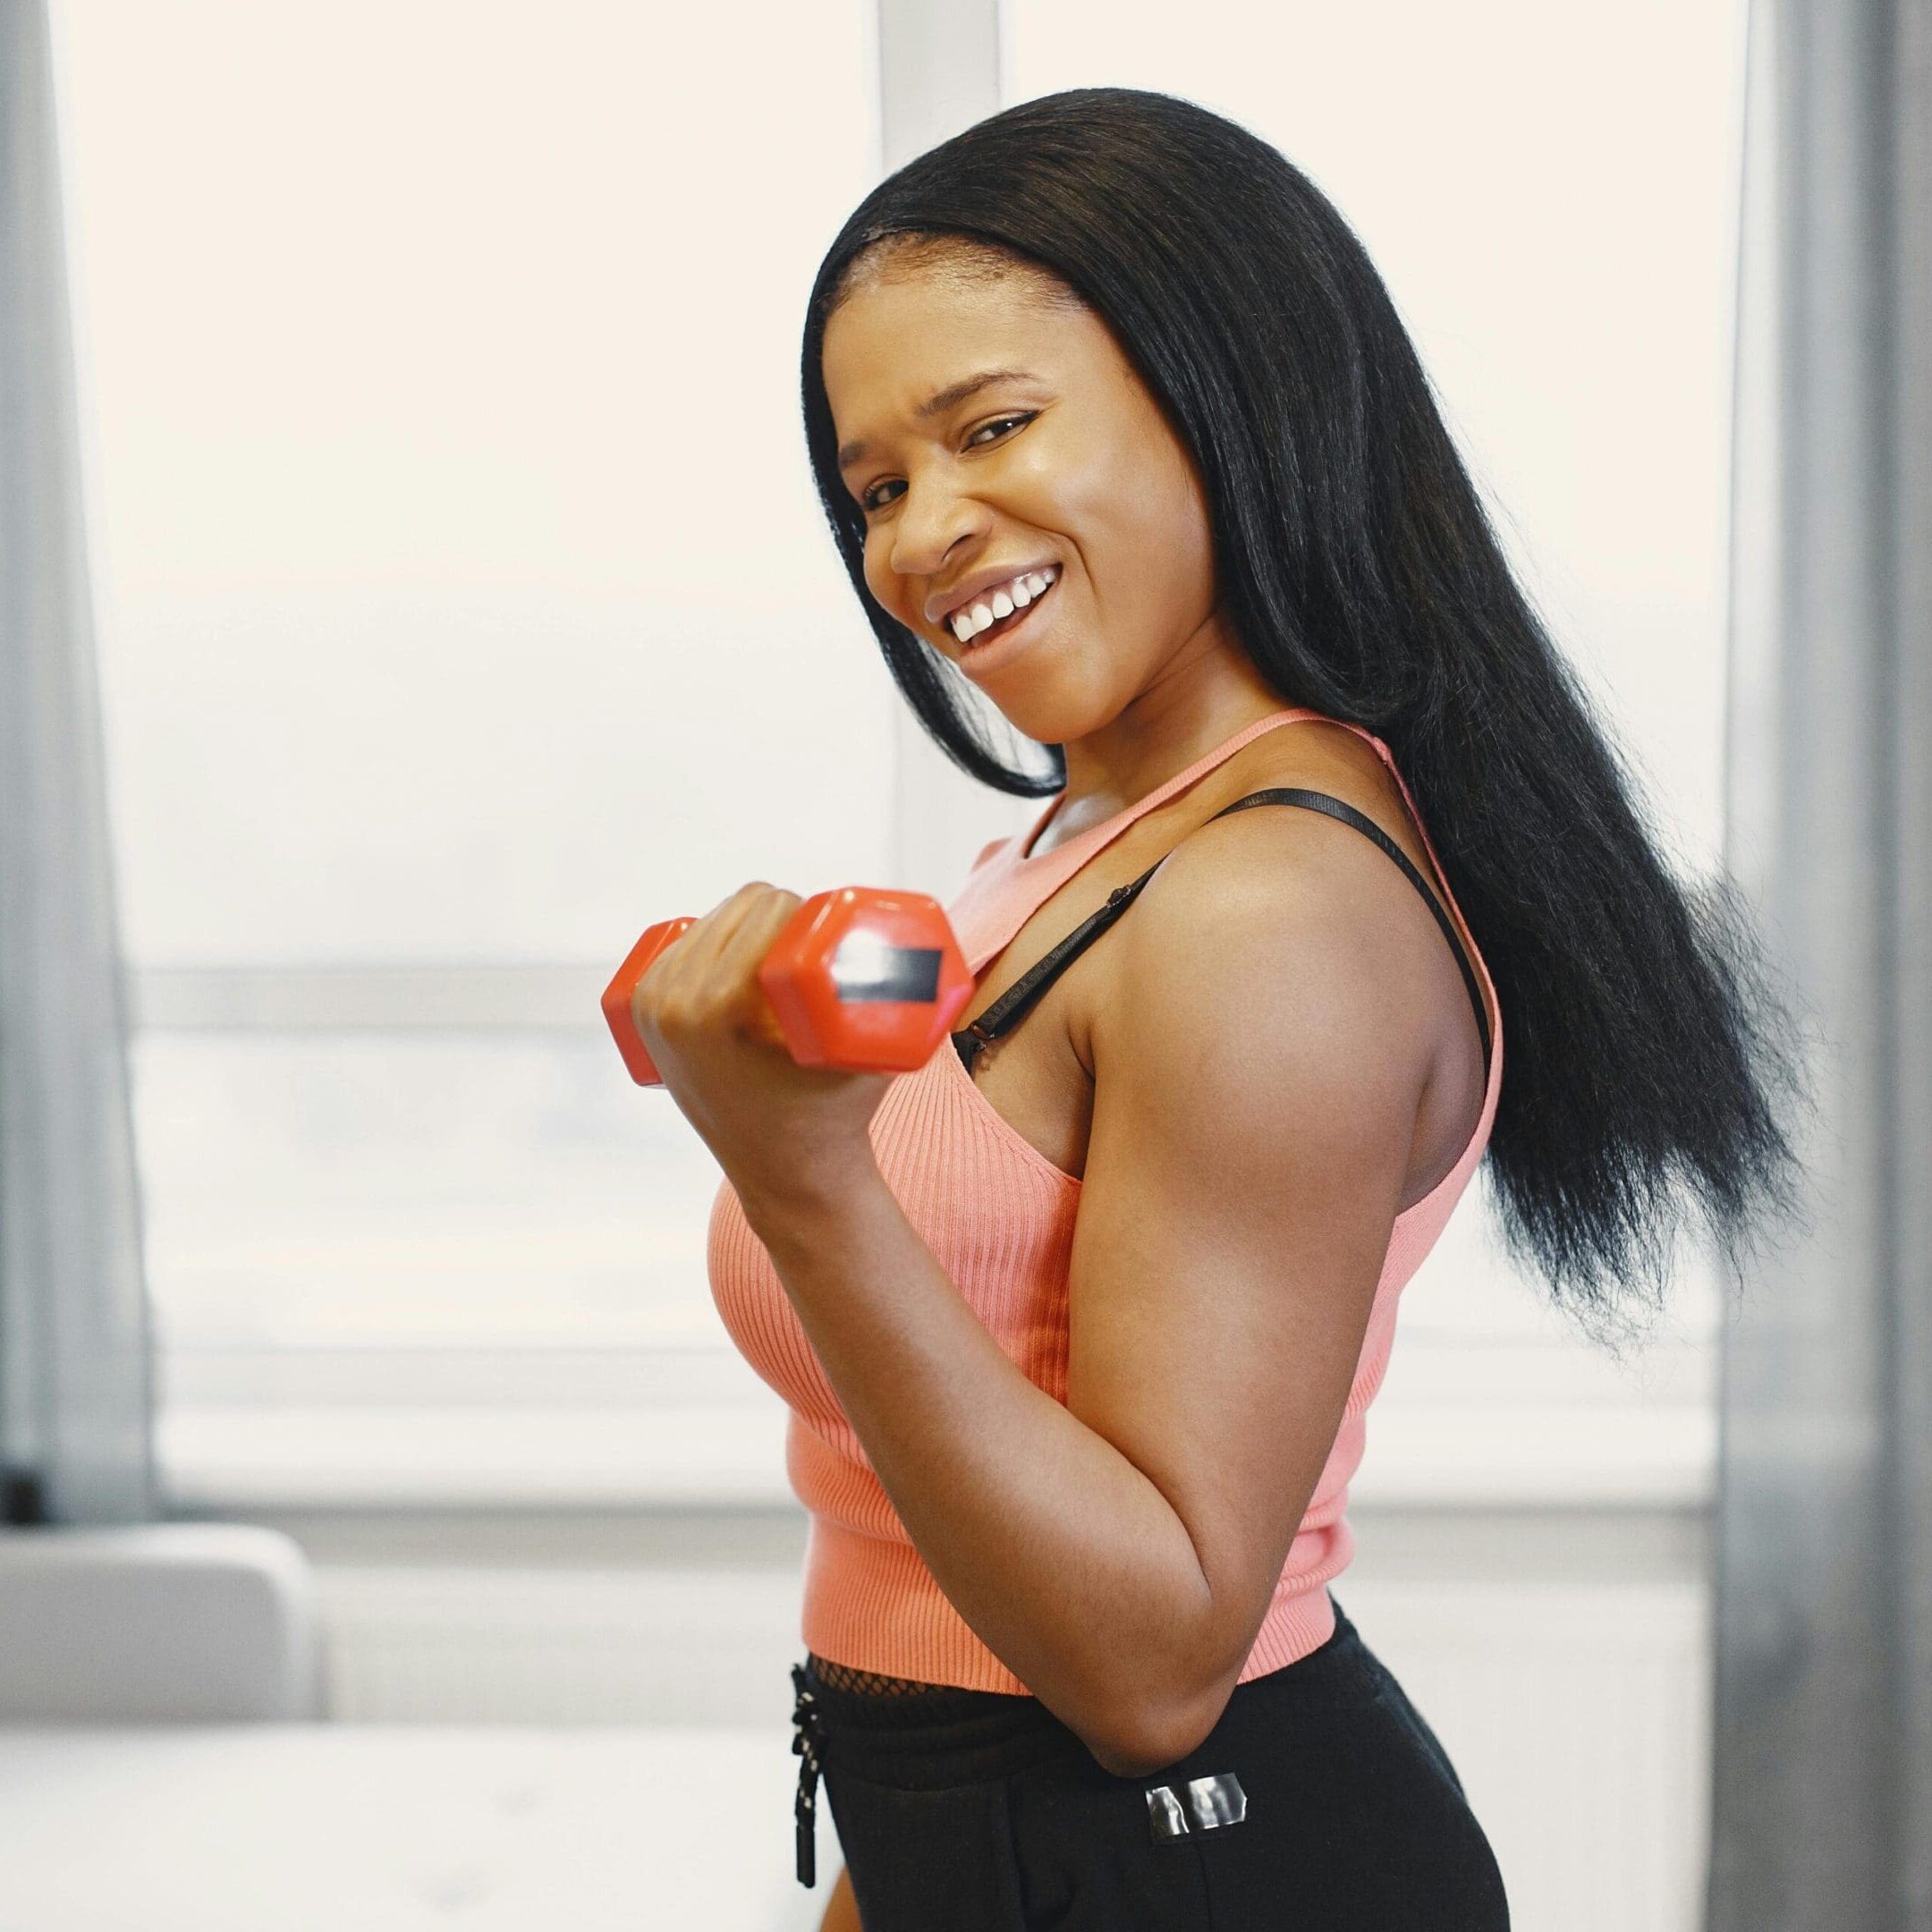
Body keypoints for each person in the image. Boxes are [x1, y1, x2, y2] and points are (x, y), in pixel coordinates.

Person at [631, 87, 1799, 1931]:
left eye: (992, 427)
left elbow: (1152, 1663)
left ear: (1227, 390)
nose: (927, 531)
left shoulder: (1269, 905)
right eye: (877, 485)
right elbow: (939, 1519)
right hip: (993, 1843)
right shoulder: (1086, 843)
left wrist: (802, 1177)